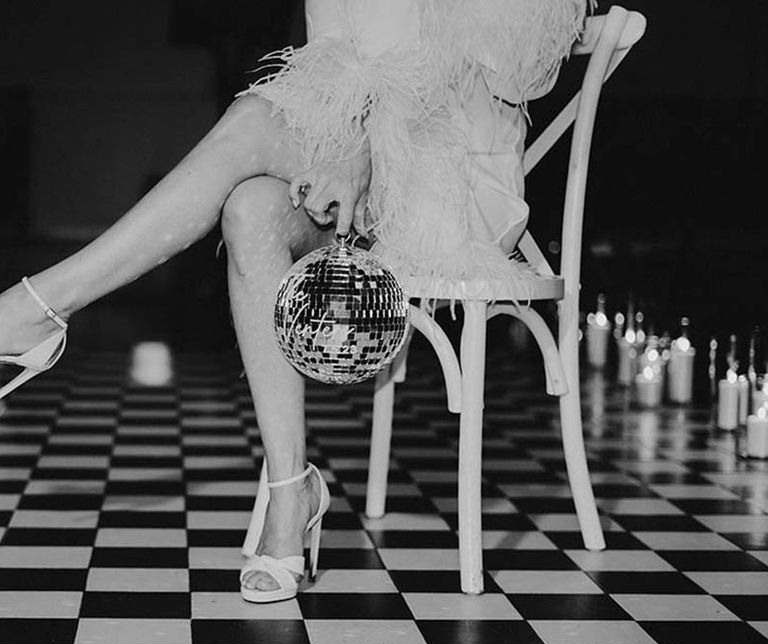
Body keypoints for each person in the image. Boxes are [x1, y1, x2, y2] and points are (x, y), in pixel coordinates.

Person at [0, 0, 592, 603]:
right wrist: (351, 149)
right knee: (250, 208)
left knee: (253, 122)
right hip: (357, 174)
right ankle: (291, 491)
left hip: (458, 190)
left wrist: (365, 150)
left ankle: (37, 309)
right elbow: (329, 74)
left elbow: (516, 71)